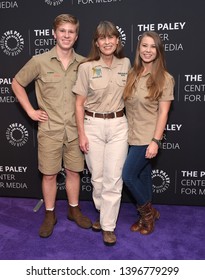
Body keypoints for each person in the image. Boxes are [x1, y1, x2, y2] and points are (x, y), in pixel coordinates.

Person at [11, 14, 92, 238]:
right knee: (48, 174)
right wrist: (30, 111)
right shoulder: (40, 61)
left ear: (76, 36)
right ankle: (49, 214)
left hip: (76, 130)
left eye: (71, 32)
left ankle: (74, 211)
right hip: (50, 130)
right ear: (54, 33)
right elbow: (17, 83)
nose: (66, 35)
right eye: (62, 31)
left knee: (74, 171)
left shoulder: (85, 64)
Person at [73, 21, 131, 246]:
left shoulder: (126, 64)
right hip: (92, 125)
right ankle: (103, 211)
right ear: (96, 43)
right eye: (102, 38)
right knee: (97, 178)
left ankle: (108, 226)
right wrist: (82, 134)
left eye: (111, 37)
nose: (107, 42)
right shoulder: (87, 67)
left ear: (117, 40)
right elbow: (79, 104)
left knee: (113, 179)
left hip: (118, 124)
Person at [122, 31, 174, 235]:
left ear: (158, 50)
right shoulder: (132, 74)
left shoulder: (165, 78)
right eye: (144, 45)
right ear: (139, 48)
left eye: (153, 46)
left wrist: (155, 141)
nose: (148, 50)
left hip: (148, 137)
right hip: (130, 134)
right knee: (143, 175)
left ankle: (148, 215)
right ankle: (148, 212)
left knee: (128, 175)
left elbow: (163, 113)